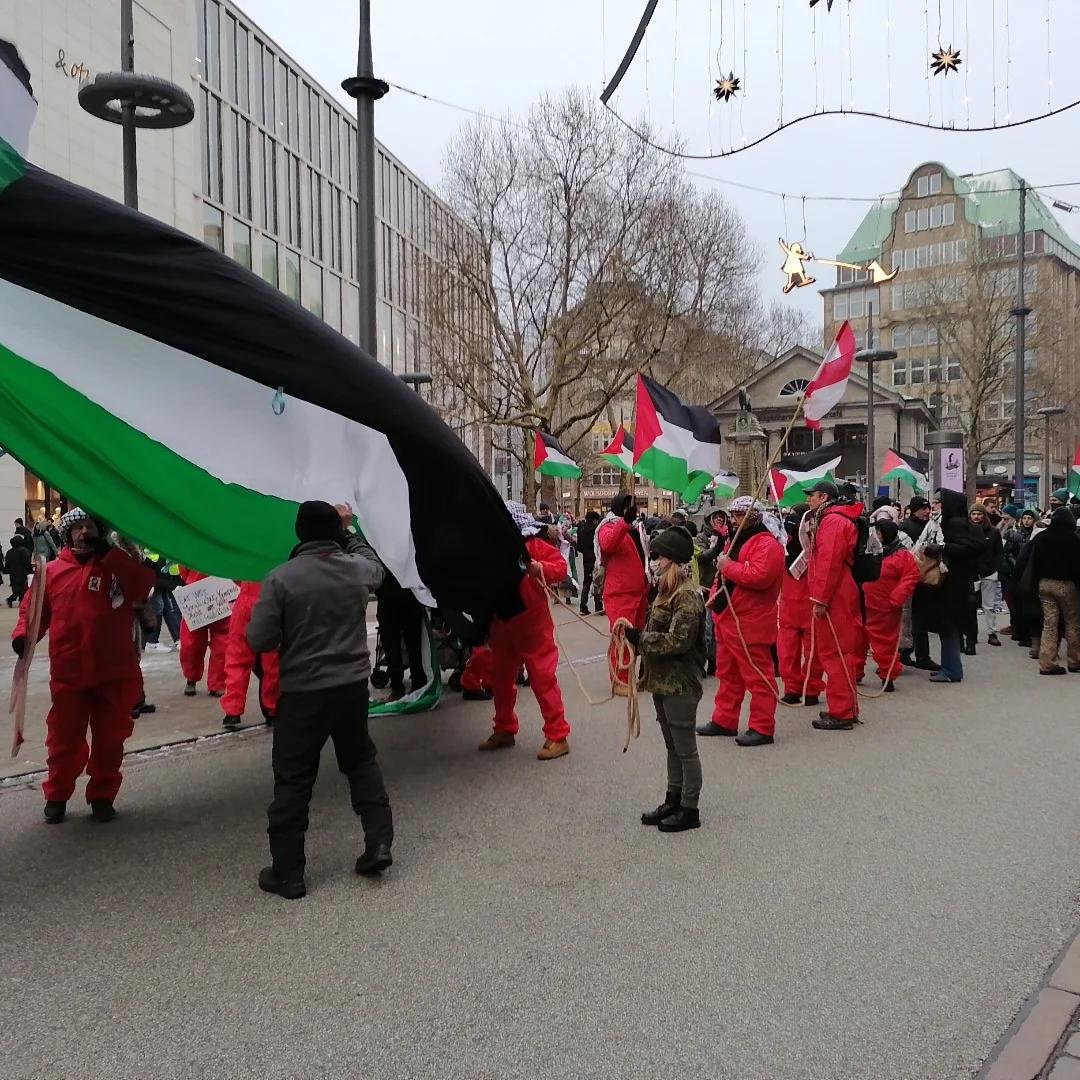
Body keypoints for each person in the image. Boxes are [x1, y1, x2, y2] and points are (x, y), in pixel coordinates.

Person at [246, 501, 391, 900]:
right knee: (361, 763)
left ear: (299, 532)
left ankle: (288, 873)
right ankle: (378, 842)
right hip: (351, 688)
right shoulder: (356, 570)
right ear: (335, 533)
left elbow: (259, 639)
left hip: (303, 693)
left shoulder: (281, 579)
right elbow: (374, 564)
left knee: (293, 778)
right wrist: (349, 531)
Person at [12, 508, 155, 824]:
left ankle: (102, 795)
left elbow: (142, 586)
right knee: (63, 738)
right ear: (67, 534)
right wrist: (24, 637)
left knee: (110, 738)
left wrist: (110, 555)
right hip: (69, 671)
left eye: (89, 526)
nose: (83, 533)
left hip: (113, 670)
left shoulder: (117, 567)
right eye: (77, 528)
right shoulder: (51, 572)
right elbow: (33, 612)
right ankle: (57, 795)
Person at [622, 527, 705, 832]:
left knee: (685, 748)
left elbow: (679, 641)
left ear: (672, 560)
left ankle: (690, 808)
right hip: (662, 681)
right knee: (672, 746)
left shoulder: (686, 596)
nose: (654, 561)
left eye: (659, 556)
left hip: (680, 683)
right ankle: (673, 797)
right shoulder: (663, 591)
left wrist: (641, 639)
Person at [478, 501, 571, 760]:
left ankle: (557, 734)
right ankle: (504, 729)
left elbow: (561, 568)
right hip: (502, 625)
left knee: (543, 678)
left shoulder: (534, 547)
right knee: (500, 680)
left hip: (533, 626)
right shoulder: (491, 551)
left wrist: (541, 569)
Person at [701, 497, 785, 747]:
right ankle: (725, 720)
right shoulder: (736, 540)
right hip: (728, 617)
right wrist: (714, 598)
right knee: (728, 675)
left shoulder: (767, 544)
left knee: (758, 676)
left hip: (750, 620)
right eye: (734, 515)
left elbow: (759, 576)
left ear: (752, 517)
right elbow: (722, 576)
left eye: (739, 515)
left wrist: (728, 567)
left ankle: (762, 727)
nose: (734, 520)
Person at [803, 480, 865, 731]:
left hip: (836, 593)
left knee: (834, 653)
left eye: (812, 497)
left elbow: (829, 563)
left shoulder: (833, 522)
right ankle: (846, 707)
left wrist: (820, 599)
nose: (809, 501)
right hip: (840, 590)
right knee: (841, 652)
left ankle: (841, 712)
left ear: (824, 497)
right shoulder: (836, 519)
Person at [914, 490, 985, 685]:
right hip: (959, 582)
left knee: (948, 628)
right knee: (950, 627)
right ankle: (951, 667)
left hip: (952, 584)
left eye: (939, 502)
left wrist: (941, 549)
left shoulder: (954, 523)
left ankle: (951, 669)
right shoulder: (964, 523)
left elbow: (968, 548)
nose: (935, 506)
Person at [597, 493, 649, 695]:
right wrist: (624, 522)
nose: (630, 509)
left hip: (639, 591)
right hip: (620, 593)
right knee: (622, 639)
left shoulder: (635, 528)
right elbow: (608, 543)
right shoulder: (607, 526)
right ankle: (620, 681)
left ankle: (632, 677)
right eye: (627, 505)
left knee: (635, 639)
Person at [862, 518, 920, 690]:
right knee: (857, 641)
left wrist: (897, 598)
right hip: (863, 602)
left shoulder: (902, 555)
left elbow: (911, 576)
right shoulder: (870, 550)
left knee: (885, 643)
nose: (876, 535)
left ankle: (888, 676)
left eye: (879, 532)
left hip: (885, 606)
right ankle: (855, 672)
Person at [777, 504, 824, 706]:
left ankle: (811, 689)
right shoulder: (783, 552)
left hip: (810, 608)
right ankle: (793, 688)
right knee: (788, 653)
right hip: (789, 608)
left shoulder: (816, 552)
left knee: (813, 652)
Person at [220, 581, 281, 729]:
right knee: (272, 662)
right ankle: (272, 709)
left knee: (237, 659)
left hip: (244, 604)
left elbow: (236, 576)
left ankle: (232, 711)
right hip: (270, 606)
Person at [1027, 507, 1080, 675]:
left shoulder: (1042, 537)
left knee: (1050, 624)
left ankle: (1047, 663)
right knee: (1072, 623)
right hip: (1066, 585)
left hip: (1044, 584)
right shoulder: (1074, 540)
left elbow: (1033, 563)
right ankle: (1074, 661)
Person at [178, 568, 231, 697]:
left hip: (221, 591)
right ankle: (191, 677)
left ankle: (217, 683)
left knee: (222, 645)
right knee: (190, 644)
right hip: (196, 594)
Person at [375, 570, 425, 701]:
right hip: (406, 597)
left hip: (394, 597)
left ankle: (402, 687)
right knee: (409, 646)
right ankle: (411, 685)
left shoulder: (379, 550)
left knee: (396, 647)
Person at [965, 503, 1004, 651]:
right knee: (970, 605)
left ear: (984, 515)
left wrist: (996, 568)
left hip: (989, 572)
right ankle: (971, 633)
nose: (976, 517)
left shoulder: (993, 532)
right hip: (972, 572)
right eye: (974, 514)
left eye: (979, 514)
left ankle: (991, 632)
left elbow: (999, 552)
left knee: (989, 605)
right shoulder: (966, 531)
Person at [1003, 509, 1037, 645]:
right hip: (1016, 573)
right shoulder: (1015, 535)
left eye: (1029, 518)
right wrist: (1016, 566)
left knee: (1028, 606)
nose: (1027, 521)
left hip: (1030, 573)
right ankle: (1019, 632)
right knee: (1017, 605)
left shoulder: (1036, 535)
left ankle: (1028, 634)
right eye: (1024, 518)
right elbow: (1008, 553)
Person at [574, 510, 602, 616]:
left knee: (586, 583)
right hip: (596, 559)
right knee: (597, 583)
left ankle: (583, 607)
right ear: (595, 520)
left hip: (586, 559)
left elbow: (579, 546)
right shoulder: (596, 530)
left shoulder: (581, 530)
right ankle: (598, 607)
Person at [5, 533, 32, 607]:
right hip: (22, 573)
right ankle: (14, 600)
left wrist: (7, 570)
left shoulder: (9, 552)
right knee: (23, 589)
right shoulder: (24, 551)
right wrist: (30, 570)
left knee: (17, 589)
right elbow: (27, 562)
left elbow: (7, 563)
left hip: (13, 573)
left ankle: (15, 600)